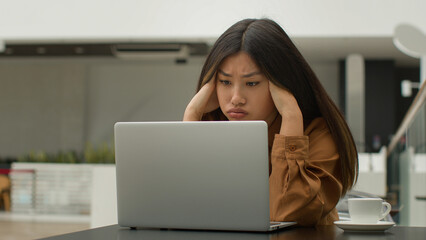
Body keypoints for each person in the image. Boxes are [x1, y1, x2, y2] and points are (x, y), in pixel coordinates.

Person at [183, 18, 358, 226]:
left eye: (252, 83)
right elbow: (186, 206)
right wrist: (192, 114)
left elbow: (286, 212)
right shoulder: (214, 128)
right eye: (225, 82)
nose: (236, 97)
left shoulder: (319, 134)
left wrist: (291, 117)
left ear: (282, 85)